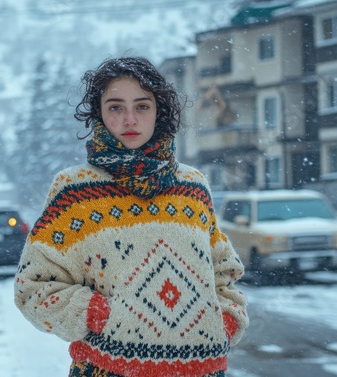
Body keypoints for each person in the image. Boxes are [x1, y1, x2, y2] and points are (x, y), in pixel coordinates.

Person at [14, 56, 248, 377]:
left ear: (158, 111)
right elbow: (33, 287)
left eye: (142, 106)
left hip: (203, 370)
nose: (129, 120)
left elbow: (223, 271)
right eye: (115, 107)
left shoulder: (192, 186)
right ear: (99, 114)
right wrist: (101, 315)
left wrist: (226, 319)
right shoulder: (74, 191)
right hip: (108, 370)